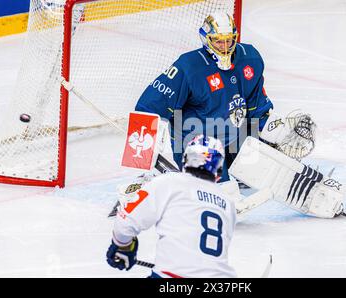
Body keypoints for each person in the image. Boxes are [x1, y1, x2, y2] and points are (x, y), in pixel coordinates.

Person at [134, 11, 275, 182]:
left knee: (264, 173)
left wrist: (275, 132)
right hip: (197, 146)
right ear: (206, 39)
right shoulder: (189, 67)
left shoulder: (250, 59)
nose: (224, 47)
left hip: (234, 139)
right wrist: (141, 156)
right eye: (218, 41)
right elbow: (148, 107)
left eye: (228, 41)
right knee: (221, 193)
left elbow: (257, 105)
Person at [106, 135, 237, 278]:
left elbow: (125, 224)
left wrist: (123, 246)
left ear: (185, 159)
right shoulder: (227, 201)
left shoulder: (169, 182)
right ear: (218, 170)